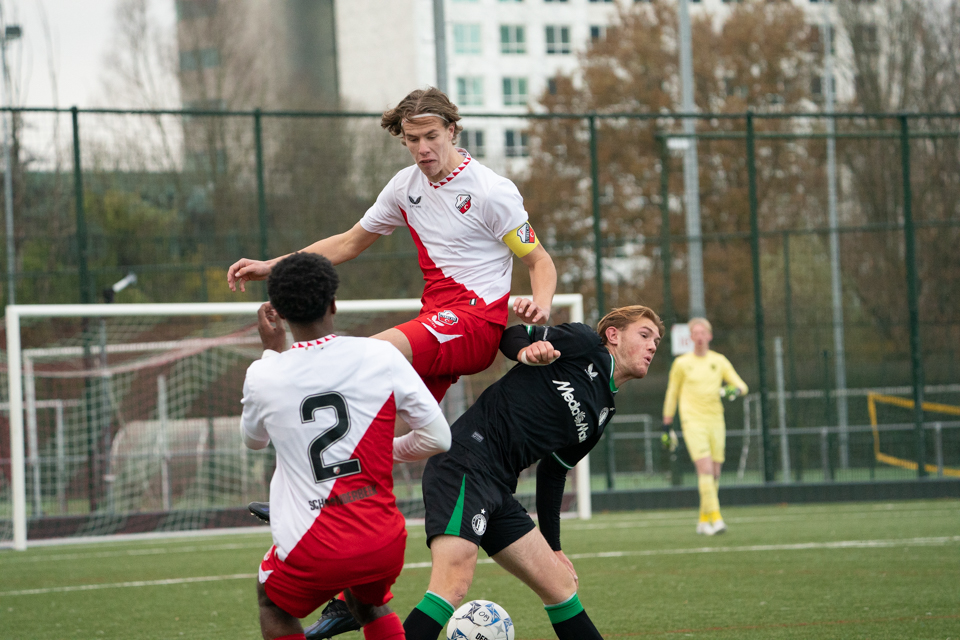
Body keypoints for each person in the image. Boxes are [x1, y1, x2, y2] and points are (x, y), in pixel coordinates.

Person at [228, 86, 557, 403]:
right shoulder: (404, 187)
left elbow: (539, 261)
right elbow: (348, 243)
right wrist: (273, 265)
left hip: (475, 324)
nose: (422, 148)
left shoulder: (491, 192)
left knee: (370, 353)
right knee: (389, 431)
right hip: (434, 322)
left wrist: (541, 306)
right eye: (412, 139)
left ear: (451, 131)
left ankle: (280, 378)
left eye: (431, 136)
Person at [401, 305, 664, 640]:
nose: (653, 346)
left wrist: (553, 547)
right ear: (613, 335)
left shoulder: (603, 412)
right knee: (452, 584)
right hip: (464, 463)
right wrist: (525, 350)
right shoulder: (585, 343)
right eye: (644, 335)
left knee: (560, 585)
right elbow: (511, 335)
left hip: (497, 487)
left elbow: (554, 472)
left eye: (656, 340)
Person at [241, 252, 452, 640]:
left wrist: (272, 350)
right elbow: (439, 438)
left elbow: (253, 441)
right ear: (334, 304)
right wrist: (379, 451)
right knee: (368, 599)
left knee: (272, 603)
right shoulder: (381, 354)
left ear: (280, 316)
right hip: (383, 541)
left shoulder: (264, 372)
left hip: (313, 547)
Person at [661, 317, 748, 536]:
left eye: (703, 333)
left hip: (716, 420)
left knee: (715, 472)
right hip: (692, 421)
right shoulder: (681, 363)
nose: (699, 337)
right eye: (695, 333)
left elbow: (742, 386)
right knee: (705, 469)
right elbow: (672, 393)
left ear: (709, 336)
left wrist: (733, 391)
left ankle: (703, 520)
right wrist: (667, 423)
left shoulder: (719, 361)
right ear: (690, 337)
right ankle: (717, 519)